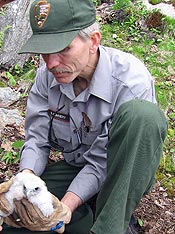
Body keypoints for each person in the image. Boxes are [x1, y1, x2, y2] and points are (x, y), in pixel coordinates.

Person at [0, 0, 168, 233]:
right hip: (76, 167)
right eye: (44, 52)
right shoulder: (46, 78)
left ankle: (111, 223)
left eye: (62, 49)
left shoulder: (131, 81)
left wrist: (67, 205)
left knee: (143, 116)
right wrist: (26, 180)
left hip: (120, 172)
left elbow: (103, 163)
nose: (51, 64)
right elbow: (36, 140)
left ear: (93, 41)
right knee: (21, 220)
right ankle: (85, 216)